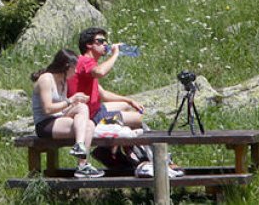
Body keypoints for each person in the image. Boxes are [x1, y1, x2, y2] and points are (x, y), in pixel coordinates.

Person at [67, 27, 183, 178]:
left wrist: (129, 100)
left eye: (105, 41)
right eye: (100, 41)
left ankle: (111, 152)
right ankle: (153, 160)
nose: (105, 45)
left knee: (128, 107)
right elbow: (100, 73)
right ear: (89, 45)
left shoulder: (89, 64)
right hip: (90, 117)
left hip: (96, 109)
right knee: (137, 119)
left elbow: (102, 94)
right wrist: (115, 54)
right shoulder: (85, 61)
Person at [30, 49, 104, 178]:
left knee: (87, 119)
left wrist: (75, 102)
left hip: (59, 118)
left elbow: (62, 108)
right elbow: (47, 109)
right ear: (66, 67)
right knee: (85, 126)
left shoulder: (63, 80)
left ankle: (80, 154)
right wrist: (70, 101)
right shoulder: (46, 79)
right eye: (74, 68)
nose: (75, 71)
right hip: (45, 123)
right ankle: (82, 163)